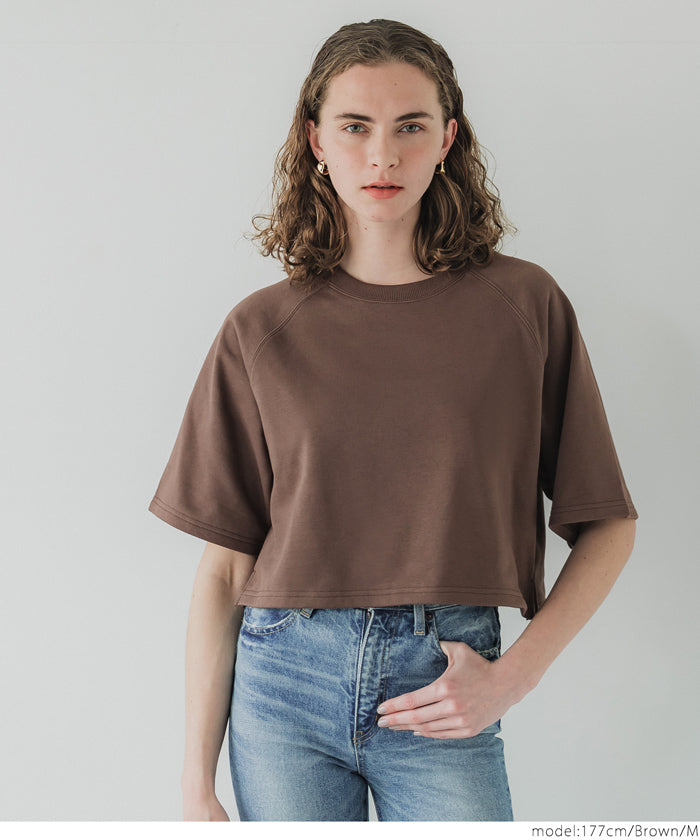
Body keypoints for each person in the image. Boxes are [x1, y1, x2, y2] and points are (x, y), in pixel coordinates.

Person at [148, 19, 638, 822]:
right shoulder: (260, 329)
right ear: (316, 140)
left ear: (447, 138)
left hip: (444, 678)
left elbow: (608, 525)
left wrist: (512, 678)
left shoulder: (523, 308)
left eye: (410, 126)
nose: (383, 155)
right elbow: (225, 571)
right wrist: (195, 783)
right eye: (355, 126)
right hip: (282, 685)